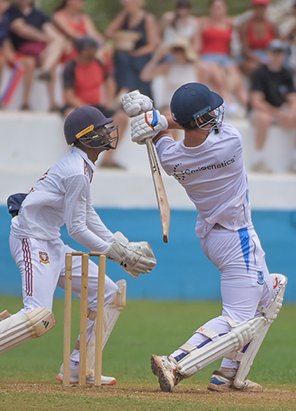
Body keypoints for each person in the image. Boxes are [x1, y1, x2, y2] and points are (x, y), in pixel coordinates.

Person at [0, 106, 157, 384]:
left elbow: (87, 212)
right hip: (31, 240)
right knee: (38, 316)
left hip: (51, 241)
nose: (107, 132)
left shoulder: (83, 166)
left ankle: (80, 369)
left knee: (109, 293)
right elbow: (77, 228)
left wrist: (120, 245)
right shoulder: (76, 171)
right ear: (85, 137)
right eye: (101, 129)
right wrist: (117, 255)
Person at [123, 83, 287, 393]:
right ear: (201, 120)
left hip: (212, 237)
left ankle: (229, 374)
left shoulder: (171, 158)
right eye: (209, 112)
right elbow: (173, 125)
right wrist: (155, 117)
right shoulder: (231, 143)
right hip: (237, 236)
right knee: (238, 318)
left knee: (269, 293)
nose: (216, 114)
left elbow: (162, 134)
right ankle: (175, 360)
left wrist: (149, 119)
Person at [61, 36, 128, 168]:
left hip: (96, 106)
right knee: (70, 115)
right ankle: (78, 156)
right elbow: (68, 95)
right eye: (89, 49)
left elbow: (110, 82)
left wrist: (108, 101)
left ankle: (108, 158)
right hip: (78, 105)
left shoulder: (98, 64)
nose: (93, 51)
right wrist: (84, 109)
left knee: (122, 117)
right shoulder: (71, 67)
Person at [248, 40, 296, 173]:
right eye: (274, 53)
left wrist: (292, 112)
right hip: (264, 111)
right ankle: (258, 158)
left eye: (280, 53)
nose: (277, 56)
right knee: (263, 118)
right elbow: (256, 101)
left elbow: (294, 97)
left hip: (280, 111)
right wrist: (277, 112)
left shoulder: (286, 74)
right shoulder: (259, 73)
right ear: (268, 54)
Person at [7, 0, 67, 111]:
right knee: (48, 57)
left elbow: (50, 31)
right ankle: (27, 101)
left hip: (40, 51)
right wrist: (44, 38)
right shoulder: (11, 11)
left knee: (58, 43)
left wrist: (57, 40)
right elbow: (20, 29)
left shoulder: (39, 14)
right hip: (22, 49)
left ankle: (52, 102)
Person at [0, 0, 35, 110]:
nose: (2, 5)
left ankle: (25, 102)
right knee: (0, 61)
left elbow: (7, 40)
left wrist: (10, 53)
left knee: (29, 62)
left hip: (3, 51)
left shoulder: (6, 18)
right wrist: (4, 52)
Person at [196, 0, 247, 112]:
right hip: (208, 56)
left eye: (220, 8)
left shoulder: (230, 23)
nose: (218, 11)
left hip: (224, 57)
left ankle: (247, 105)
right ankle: (229, 101)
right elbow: (197, 43)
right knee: (217, 74)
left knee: (236, 79)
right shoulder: (204, 22)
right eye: (215, 8)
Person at [105, 0, 160, 99]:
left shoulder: (147, 18)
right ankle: (125, 89)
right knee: (121, 57)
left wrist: (136, 53)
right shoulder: (125, 16)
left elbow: (152, 45)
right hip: (127, 55)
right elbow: (109, 32)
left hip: (142, 55)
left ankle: (129, 90)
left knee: (129, 62)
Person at [140, 39, 201, 114]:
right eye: (176, 51)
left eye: (181, 51)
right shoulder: (168, 67)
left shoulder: (197, 68)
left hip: (191, 108)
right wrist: (157, 58)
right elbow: (145, 76)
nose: (178, 54)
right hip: (170, 108)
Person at [52, 0, 103, 66]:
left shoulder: (84, 17)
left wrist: (99, 40)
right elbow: (72, 34)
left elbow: (93, 33)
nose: (82, 3)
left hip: (87, 48)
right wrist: (91, 40)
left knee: (101, 51)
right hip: (70, 50)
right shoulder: (58, 16)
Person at [237, 0, 280, 76]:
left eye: (262, 7)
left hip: (268, 55)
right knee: (253, 67)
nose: (260, 10)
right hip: (251, 56)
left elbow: (278, 45)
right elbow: (245, 49)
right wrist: (258, 60)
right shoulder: (245, 25)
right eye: (257, 7)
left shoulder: (272, 25)